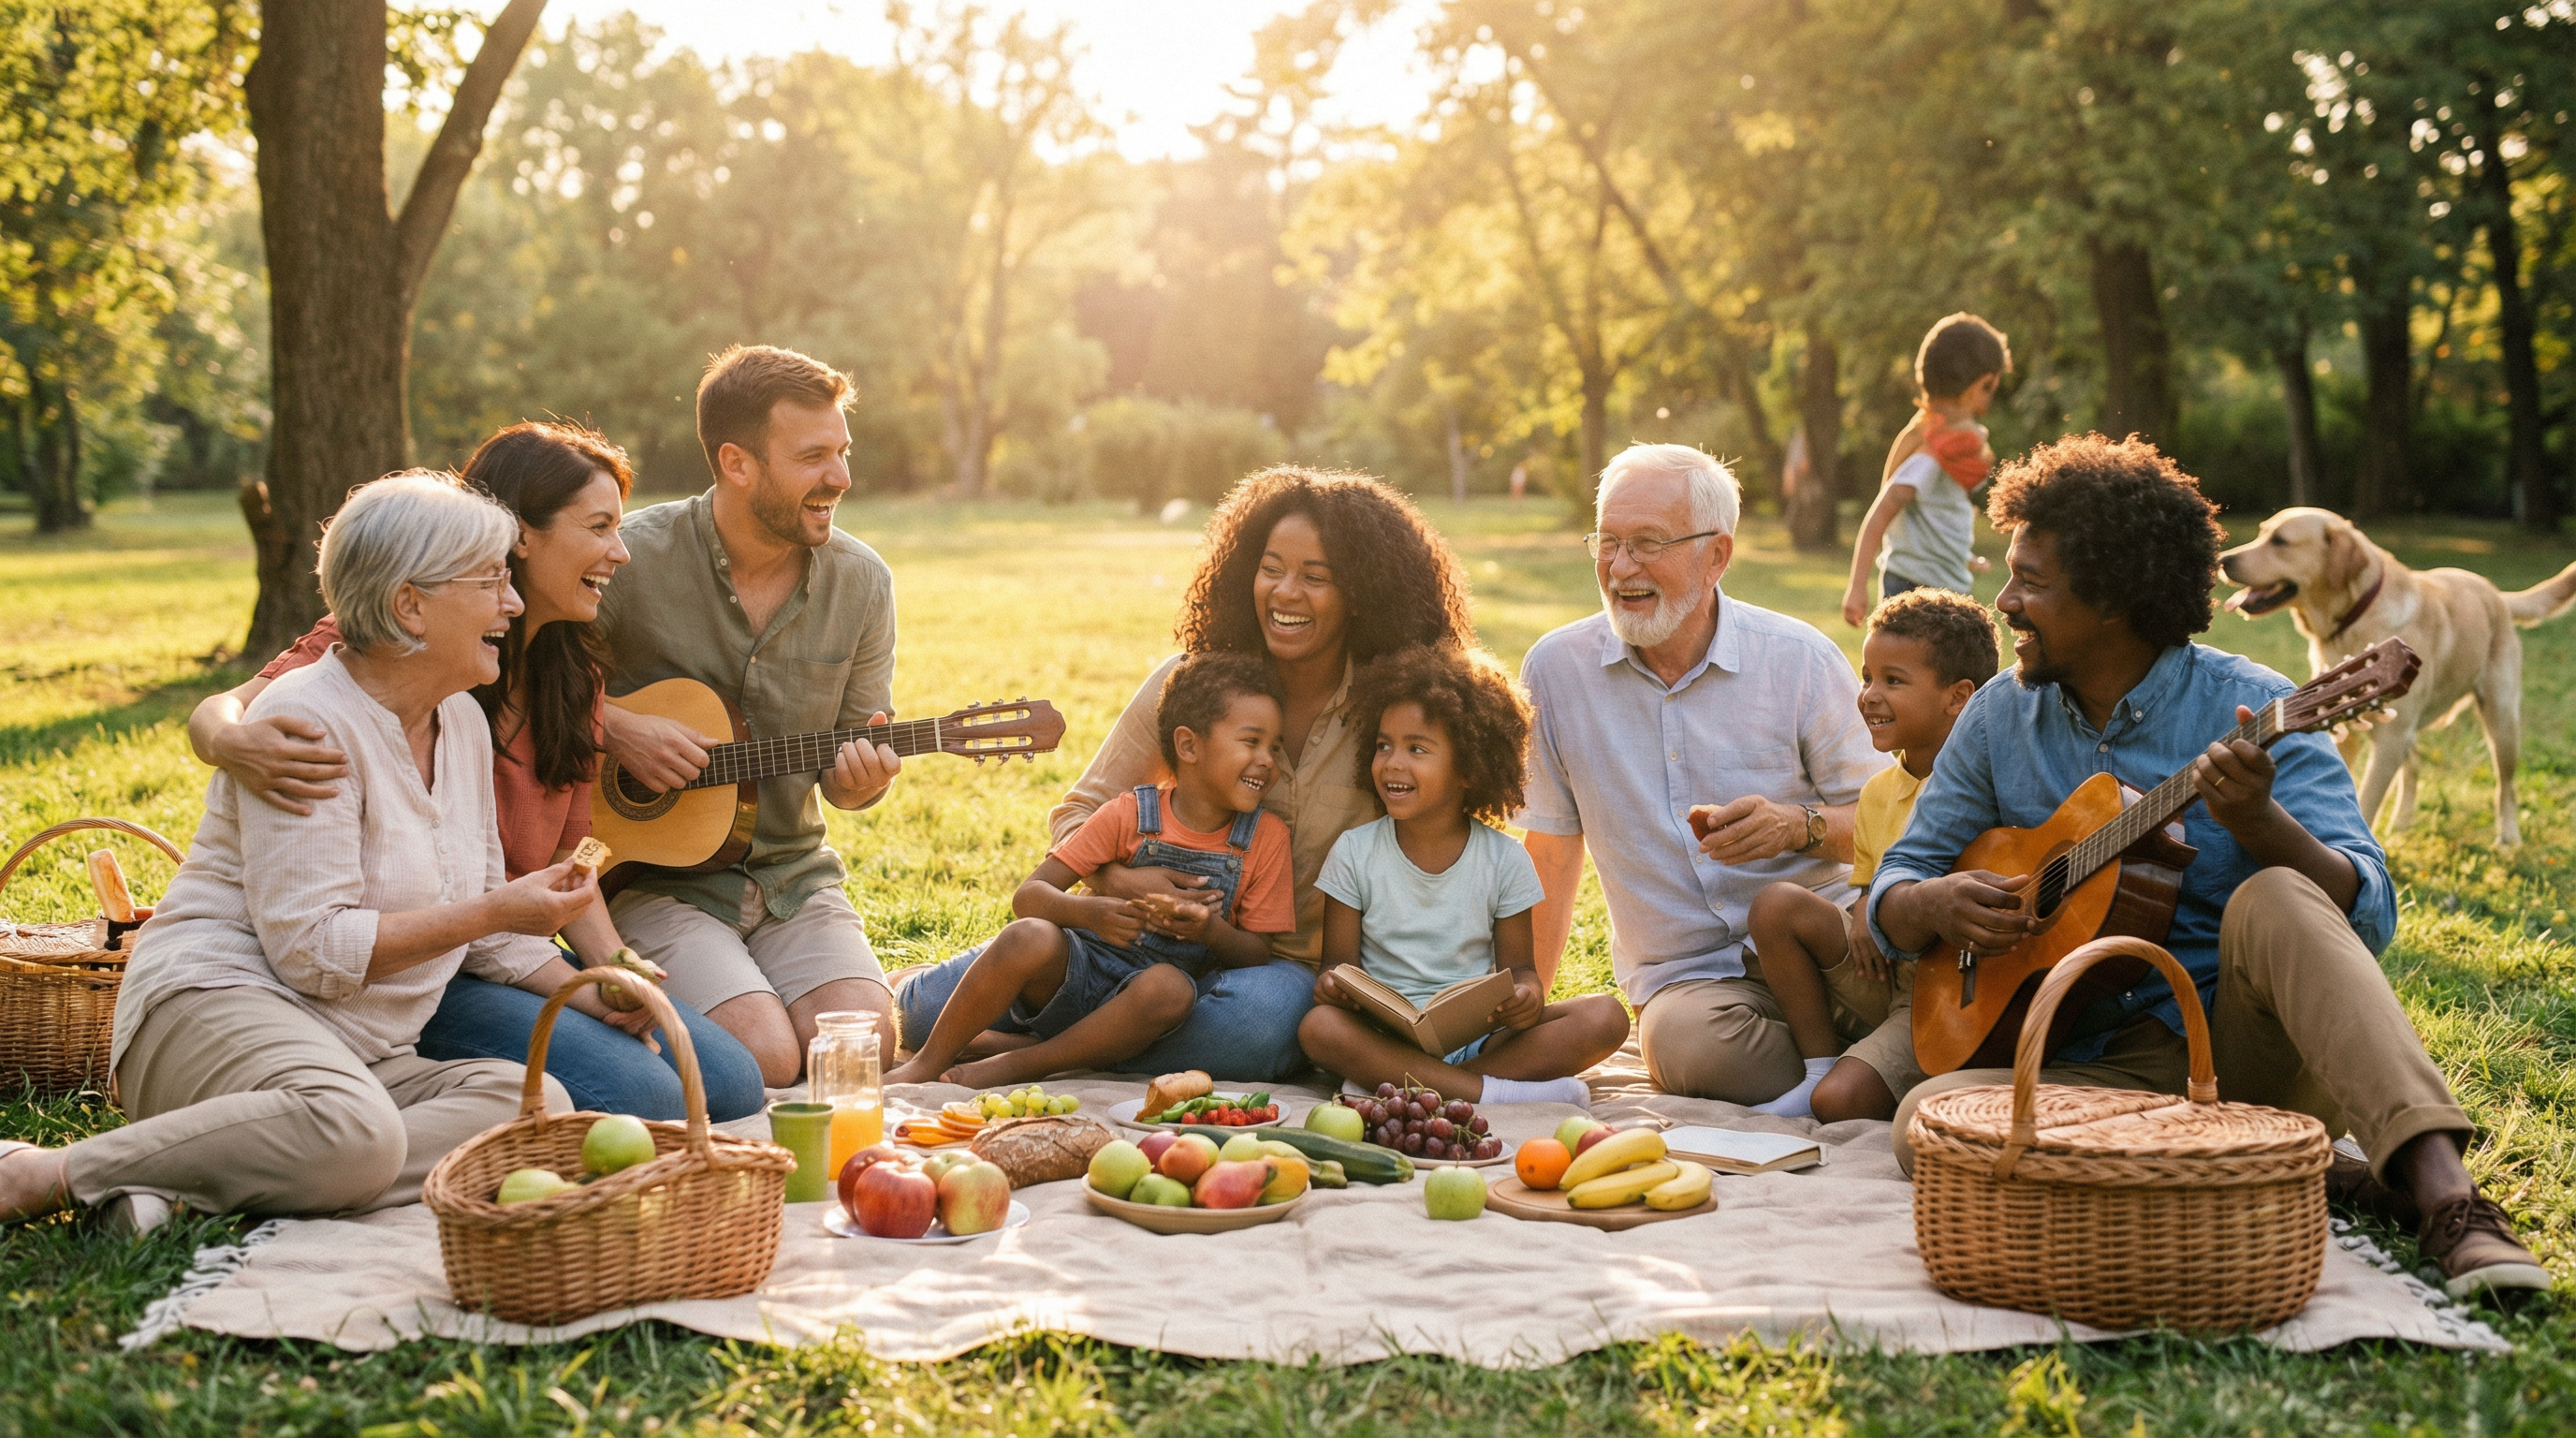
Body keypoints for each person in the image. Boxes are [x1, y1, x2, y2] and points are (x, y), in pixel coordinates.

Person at [1871, 433, 2548, 1302]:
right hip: (2088, 1061)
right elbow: (1894, 888)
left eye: (2031, 581)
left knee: (2276, 895)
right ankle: (2293, 1172)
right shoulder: (2000, 715)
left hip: (2240, 1046)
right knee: (1923, 1125)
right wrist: (1935, 903)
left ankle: (2449, 1199)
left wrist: (2264, 824)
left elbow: (2368, 915)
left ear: (2112, 600)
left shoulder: (2255, 703)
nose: (2004, 601)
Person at [0, 475, 587, 1228]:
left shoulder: (461, 725)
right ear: (411, 604)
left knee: (537, 1108)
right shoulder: (306, 720)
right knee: (356, 1136)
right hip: (219, 1008)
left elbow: (484, 916)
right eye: (492, 581)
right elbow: (311, 951)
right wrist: (494, 908)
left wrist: (591, 982)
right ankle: (41, 1174)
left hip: (359, 1056)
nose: (512, 602)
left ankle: (177, 1187)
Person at [187, 424, 766, 1123]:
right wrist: (224, 740)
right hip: (408, 964)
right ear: (522, 534)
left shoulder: (570, 676)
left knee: (732, 1081)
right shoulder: (396, 645)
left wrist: (614, 971)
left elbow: (571, 854)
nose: (621, 551)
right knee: (647, 1096)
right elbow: (237, 707)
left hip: (504, 947)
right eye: (599, 527)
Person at [1032, 467, 1481, 1080]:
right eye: (1271, 569)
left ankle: (1044, 1047)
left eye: (1315, 577)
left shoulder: (1400, 712)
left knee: (1258, 1028)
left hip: (1281, 975)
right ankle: (1075, 1034)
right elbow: (1076, 816)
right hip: (1143, 952)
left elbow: (1442, 862)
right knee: (926, 1016)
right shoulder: (1191, 685)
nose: (1284, 593)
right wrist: (1123, 883)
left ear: (1363, 593)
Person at [1518, 442, 1885, 1105]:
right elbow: (1548, 854)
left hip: (1825, 948)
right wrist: (1522, 1016)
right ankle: (1861, 1067)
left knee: (1911, 1004)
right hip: (1693, 985)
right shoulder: (1554, 672)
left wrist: (1796, 828)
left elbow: (1895, 824)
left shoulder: (1799, 661)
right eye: (1607, 542)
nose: (1620, 567)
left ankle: (1852, 1062)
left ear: (1716, 556)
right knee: (1695, 1052)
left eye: (1648, 543)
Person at [593, 345, 903, 1088]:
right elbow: (519, 691)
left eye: (843, 452)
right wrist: (617, 726)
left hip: (792, 874)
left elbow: (850, 784)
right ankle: (597, 1013)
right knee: (763, 1057)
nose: (841, 478)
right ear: (737, 463)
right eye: (813, 456)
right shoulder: (631, 560)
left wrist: (865, 780)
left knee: (856, 1055)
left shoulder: (860, 584)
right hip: (651, 879)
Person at [887, 655, 1295, 1086]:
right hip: (1076, 972)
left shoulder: (1265, 839)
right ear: (1189, 746)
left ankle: (1021, 1062)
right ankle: (925, 1064)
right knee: (1025, 937)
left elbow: (1256, 954)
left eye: (1275, 746)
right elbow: (1030, 896)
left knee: (1169, 988)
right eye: (1251, 742)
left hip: (1144, 1006)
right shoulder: (1129, 814)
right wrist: (1092, 912)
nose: (1268, 760)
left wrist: (1208, 930)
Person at [1299, 644, 1629, 1104]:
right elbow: (1336, 965)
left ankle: (1417, 1085)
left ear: (1470, 768)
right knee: (1319, 1028)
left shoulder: (1505, 860)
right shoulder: (1355, 851)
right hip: (1385, 1035)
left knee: (1606, 1017)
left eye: (1417, 748)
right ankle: (1490, 1093)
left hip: (1479, 1038)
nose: (1393, 762)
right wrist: (1334, 985)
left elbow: (1522, 972)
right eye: (1383, 745)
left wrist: (1526, 996)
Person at [1740, 589, 1998, 1120]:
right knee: (1776, 905)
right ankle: (1818, 1063)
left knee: (1839, 1103)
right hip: (1880, 970)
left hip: (1944, 987)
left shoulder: (1990, 787)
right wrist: (1863, 909)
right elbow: (1868, 879)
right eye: (1867, 677)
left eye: (1893, 681)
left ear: (1958, 696)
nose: (1869, 696)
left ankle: (1853, 1073)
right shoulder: (1879, 791)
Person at [1838, 314, 2009, 628]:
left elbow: (1936, 516)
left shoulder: (1954, 452)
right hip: (1913, 586)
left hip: (1945, 584)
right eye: (1991, 388)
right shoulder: (1932, 456)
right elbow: (1880, 514)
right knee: (1904, 672)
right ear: (1981, 384)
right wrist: (1856, 587)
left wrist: (1962, 557)